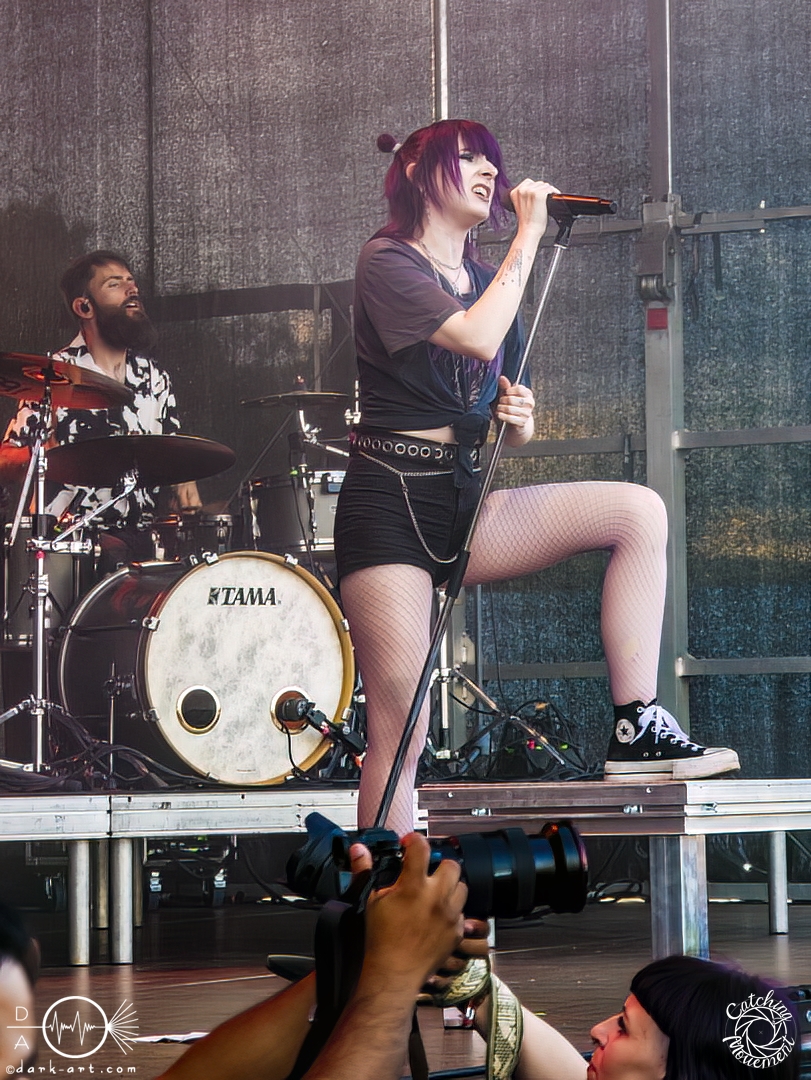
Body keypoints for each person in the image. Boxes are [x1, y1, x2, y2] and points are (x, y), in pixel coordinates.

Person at [332, 119, 740, 835]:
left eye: (492, 160)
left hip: (463, 496)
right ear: (418, 172)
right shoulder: (386, 260)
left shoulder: (489, 280)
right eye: (467, 158)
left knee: (638, 512)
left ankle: (636, 726)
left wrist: (517, 418)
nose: (489, 171)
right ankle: (386, 885)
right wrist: (528, 234)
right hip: (390, 501)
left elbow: (507, 413)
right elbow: (474, 336)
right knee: (403, 725)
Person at [0, 250, 201, 573]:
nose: (132, 289)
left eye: (131, 282)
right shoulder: (53, 376)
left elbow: (170, 455)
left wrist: (185, 487)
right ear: (84, 307)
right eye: (115, 284)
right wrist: (48, 459)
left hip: (141, 540)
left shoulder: (155, 378)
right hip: (69, 541)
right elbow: (5, 458)